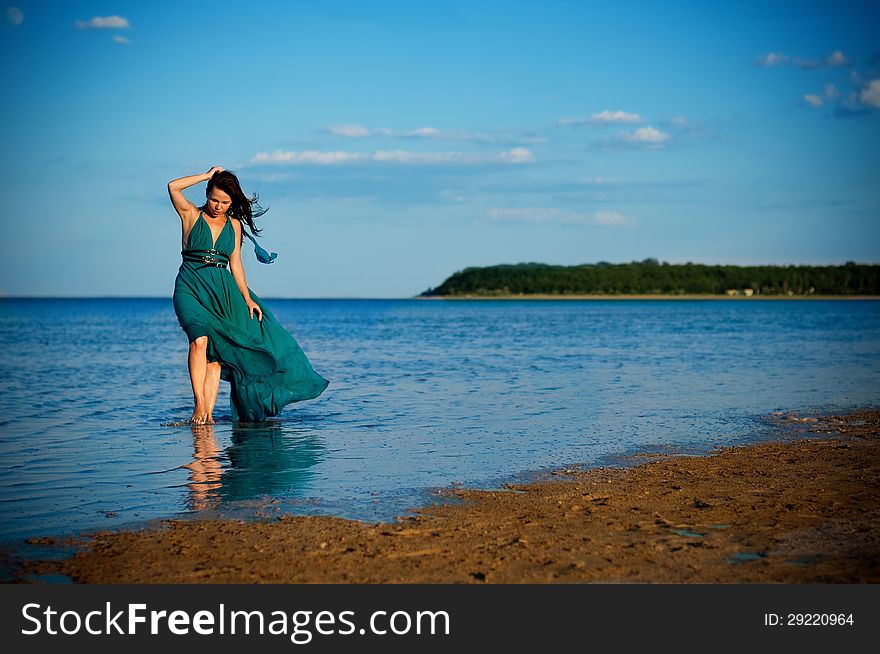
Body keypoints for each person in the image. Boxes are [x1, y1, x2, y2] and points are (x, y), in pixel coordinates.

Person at [168, 166, 329, 424]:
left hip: (223, 290)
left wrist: (247, 298)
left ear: (232, 203)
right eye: (214, 199)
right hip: (190, 284)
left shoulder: (233, 226)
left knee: (217, 355)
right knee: (199, 341)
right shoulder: (190, 214)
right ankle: (199, 405)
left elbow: (236, 264)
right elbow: (173, 187)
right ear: (207, 193)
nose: (218, 206)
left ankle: (206, 419)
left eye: (225, 202)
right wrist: (206, 175)